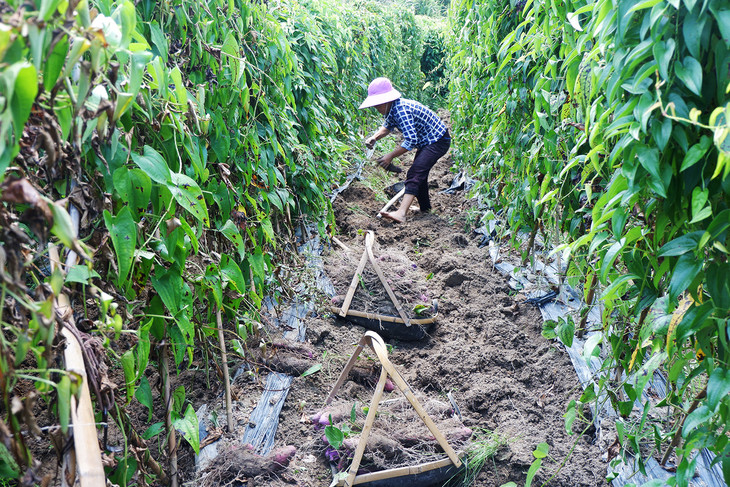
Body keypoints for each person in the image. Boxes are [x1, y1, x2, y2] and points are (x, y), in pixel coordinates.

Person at [359, 77, 451, 223]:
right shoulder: (392, 109)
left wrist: (390, 156)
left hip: (438, 140)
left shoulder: (401, 110)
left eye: (378, 105)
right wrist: (374, 137)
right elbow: (387, 126)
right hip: (427, 141)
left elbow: (411, 140)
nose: (376, 109)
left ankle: (401, 213)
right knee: (420, 174)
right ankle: (425, 209)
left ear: (386, 100)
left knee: (415, 172)